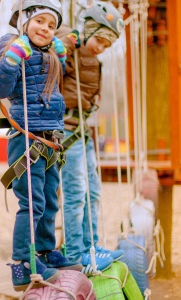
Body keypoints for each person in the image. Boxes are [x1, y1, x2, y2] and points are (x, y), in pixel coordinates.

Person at [0, 0, 83, 291]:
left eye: (51, 25)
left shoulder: (48, 52)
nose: (45, 28)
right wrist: (11, 60)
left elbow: (50, 84)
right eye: (40, 21)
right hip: (27, 137)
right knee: (31, 202)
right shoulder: (12, 45)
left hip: (50, 137)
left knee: (49, 199)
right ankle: (22, 262)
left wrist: (61, 54)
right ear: (24, 20)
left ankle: (44, 251)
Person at [55, 2, 125, 274]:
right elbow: (54, 47)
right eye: (98, 40)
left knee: (93, 191)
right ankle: (75, 252)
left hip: (82, 131)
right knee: (76, 192)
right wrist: (73, 39)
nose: (100, 48)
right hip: (66, 129)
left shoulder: (94, 61)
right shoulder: (68, 46)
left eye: (106, 45)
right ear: (87, 30)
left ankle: (92, 246)